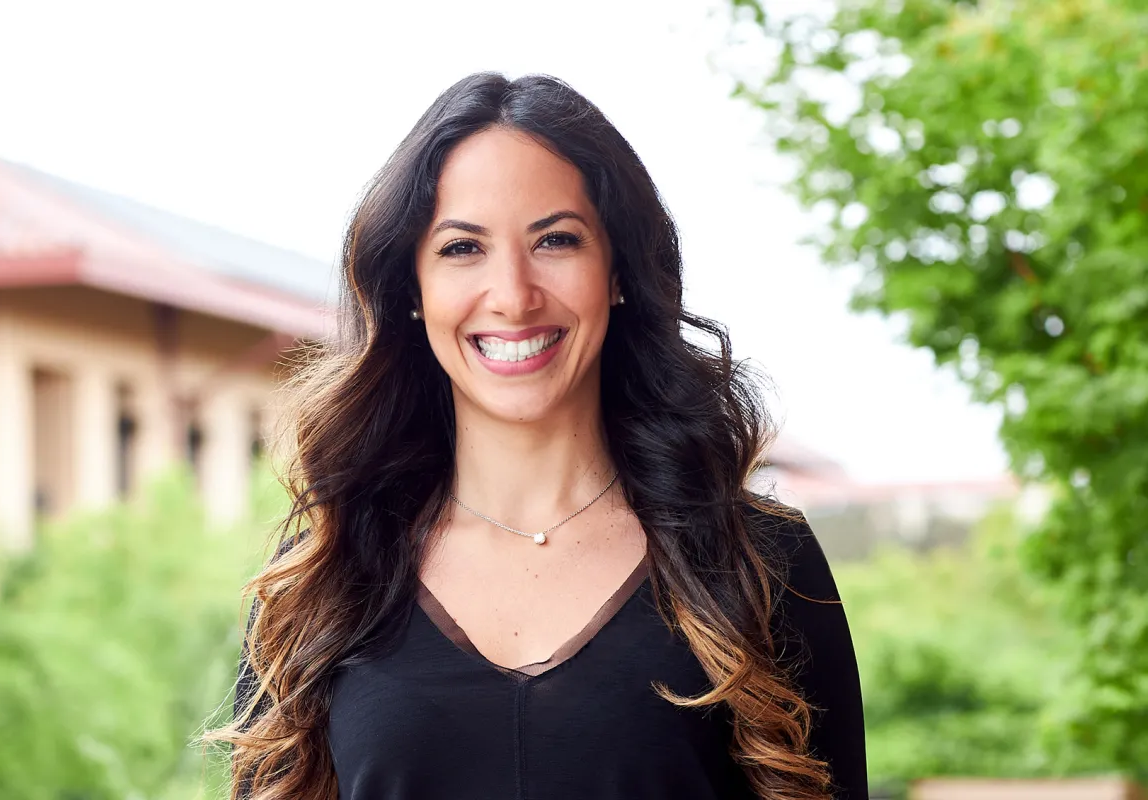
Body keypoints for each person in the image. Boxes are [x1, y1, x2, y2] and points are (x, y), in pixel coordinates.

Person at [206, 73, 869, 800]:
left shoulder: (761, 560)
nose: (515, 295)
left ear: (616, 271)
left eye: (555, 240)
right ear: (412, 292)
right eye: (463, 249)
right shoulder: (320, 576)